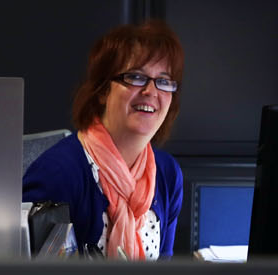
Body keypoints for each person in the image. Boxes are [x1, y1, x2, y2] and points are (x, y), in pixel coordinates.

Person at [22, 20, 184, 261]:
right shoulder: (56, 174)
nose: (151, 91)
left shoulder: (168, 173)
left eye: (163, 80)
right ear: (102, 91)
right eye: (136, 77)